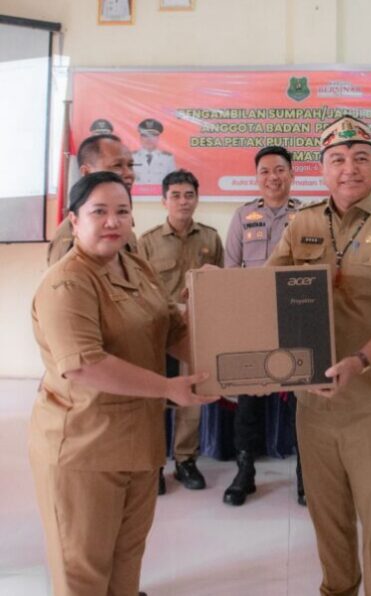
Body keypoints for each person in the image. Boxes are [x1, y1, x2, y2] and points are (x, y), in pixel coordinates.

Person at [267, 115, 371, 596]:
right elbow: (268, 291)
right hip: (314, 401)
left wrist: (360, 360)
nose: (349, 169)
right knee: (327, 514)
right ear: (322, 169)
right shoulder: (303, 221)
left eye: (361, 158)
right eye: (337, 159)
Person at [30, 171, 217, 596]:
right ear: (74, 220)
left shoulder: (134, 264)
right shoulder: (67, 282)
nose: (113, 222)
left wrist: (223, 366)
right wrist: (170, 388)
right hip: (84, 449)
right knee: (83, 574)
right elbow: (84, 365)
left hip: (138, 444)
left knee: (126, 559)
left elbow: (169, 329)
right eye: (99, 212)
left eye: (122, 212)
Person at [222, 145, 303, 507]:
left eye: (280, 170)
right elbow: (230, 271)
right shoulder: (243, 217)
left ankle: (307, 474)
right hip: (253, 318)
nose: (273, 177)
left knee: (305, 395)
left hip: (295, 314)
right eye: (265, 171)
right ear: (256, 177)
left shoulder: (307, 216)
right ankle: (245, 471)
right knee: (249, 397)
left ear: (292, 174)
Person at [139, 169, 224, 492]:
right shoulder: (147, 242)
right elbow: (139, 289)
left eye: (189, 195)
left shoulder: (210, 238)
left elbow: (219, 282)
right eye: (175, 195)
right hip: (157, 329)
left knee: (191, 394)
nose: (183, 201)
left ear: (197, 199)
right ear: (163, 201)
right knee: (158, 394)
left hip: (195, 329)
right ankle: (156, 464)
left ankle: (186, 460)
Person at [48, 134, 137, 266]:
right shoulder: (71, 234)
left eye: (130, 165)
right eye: (117, 166)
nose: (129, 173)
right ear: (87, 172)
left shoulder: (123, 226)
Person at [132, 119, 177, 185]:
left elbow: (173, 181)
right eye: (145, 135)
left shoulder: (167, 158)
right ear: (140, 137)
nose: (149, 139)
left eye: (153, 135)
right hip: (136, 195)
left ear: (158, 138)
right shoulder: (131, 157)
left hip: (160, 195)